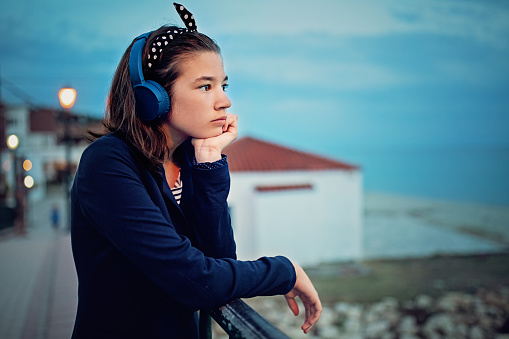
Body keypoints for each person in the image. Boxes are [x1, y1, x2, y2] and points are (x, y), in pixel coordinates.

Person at [70, 3, 321, 338]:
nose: (224, 101)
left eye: (223, 85)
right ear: (153, 97)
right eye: (205, 86)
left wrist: (208, 161)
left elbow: (219, 261)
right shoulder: (108, 164)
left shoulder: (190, 160)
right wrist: (283, 271)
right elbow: (196, 280)